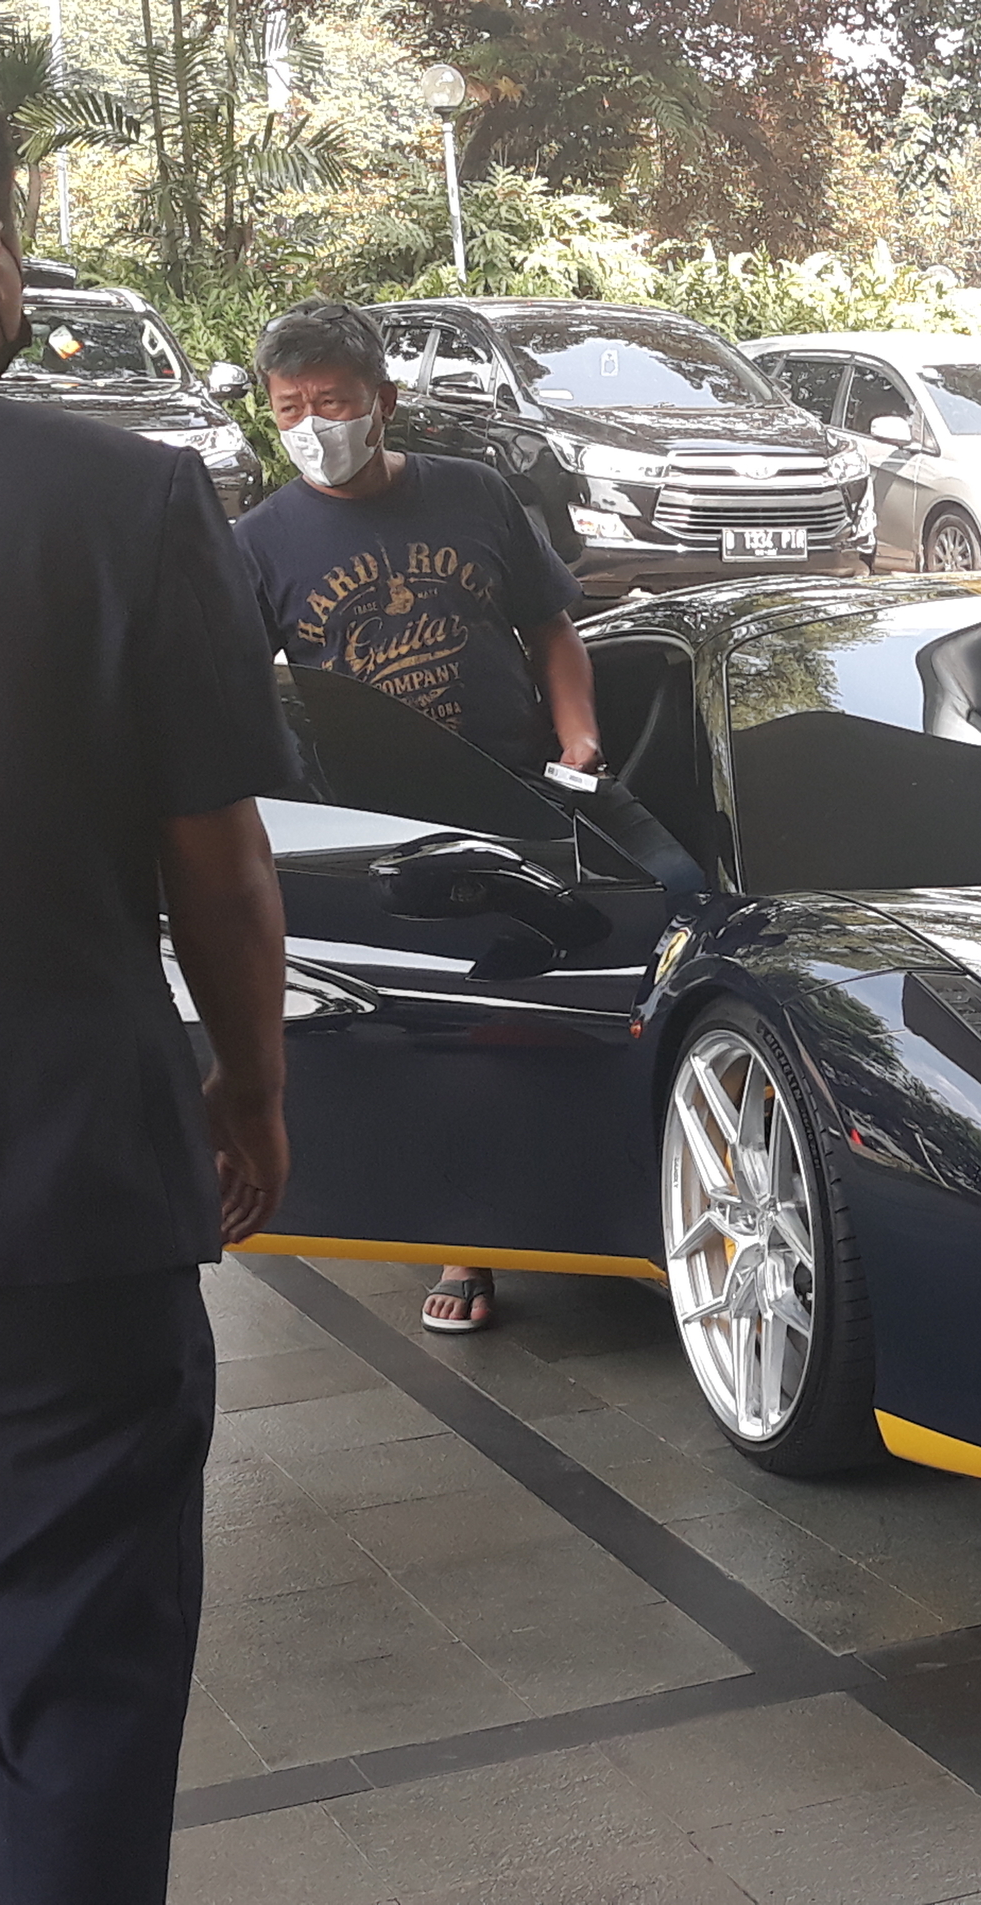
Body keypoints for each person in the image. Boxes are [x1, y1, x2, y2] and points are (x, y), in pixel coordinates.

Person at [0, 73, 292, 1904]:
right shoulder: (122, 499)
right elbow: (222, 872)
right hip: (63, 1203)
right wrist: (248, 1089)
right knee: (75, 1690)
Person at [234, 300, 601, 1336]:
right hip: (378, 829)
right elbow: (229, 687)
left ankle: (558, 1199)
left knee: (527, 1010)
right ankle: (460, 1236)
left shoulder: (474, 494)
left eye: (334, 402)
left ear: (383, 403)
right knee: (431, 1032)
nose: (313, 425)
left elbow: (551, 627)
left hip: (516, 799)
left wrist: (576, 742)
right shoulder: (259, 541)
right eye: (290, 407)